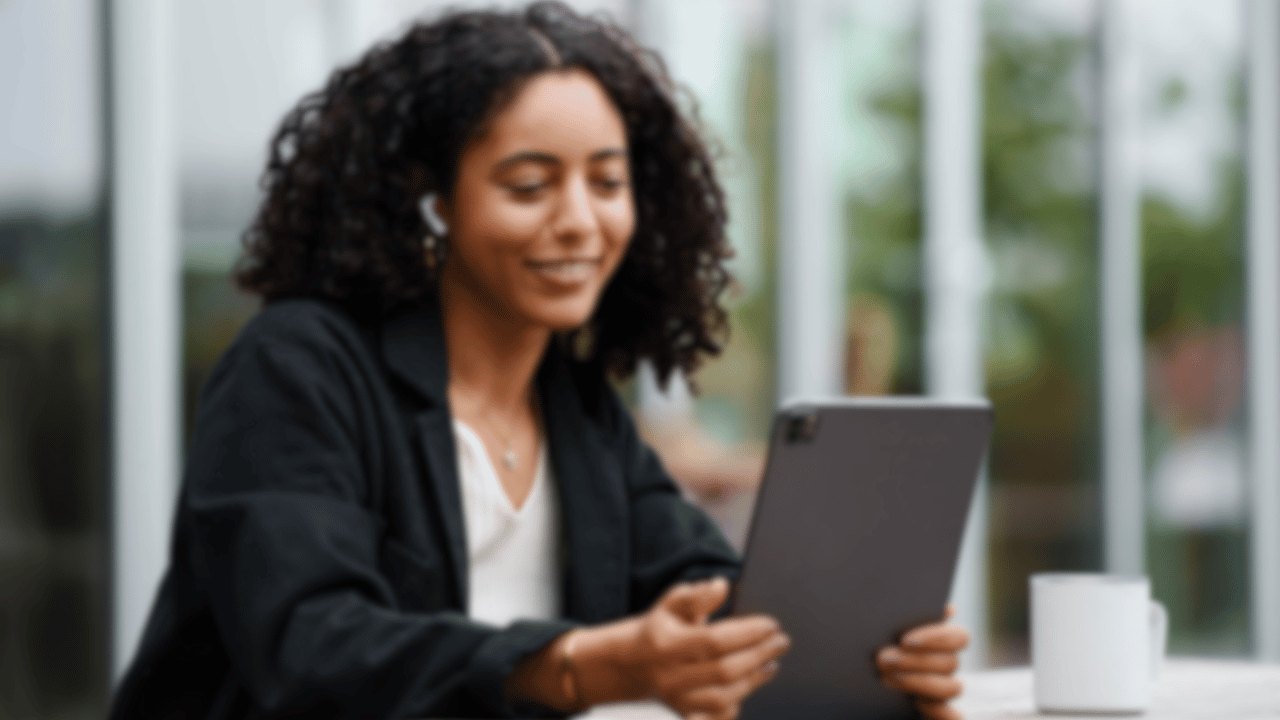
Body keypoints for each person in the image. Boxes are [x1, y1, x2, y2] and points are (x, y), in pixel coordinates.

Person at [108, 4, 968, 719]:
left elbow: (700, 587)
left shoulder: (578, 408)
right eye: (529, 185)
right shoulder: (298, 368)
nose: (580, 222)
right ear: (433, 198)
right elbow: (309, 646)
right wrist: (585, 665)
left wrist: (859, 651)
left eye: (607, 181)